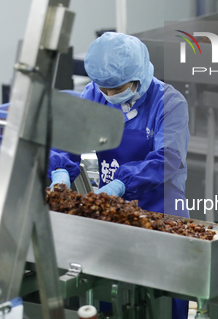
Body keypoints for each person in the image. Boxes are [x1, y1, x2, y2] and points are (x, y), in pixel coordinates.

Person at [48, 32, 190, 319]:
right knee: (112, 293)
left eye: (118, 89)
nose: (110, 97)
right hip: (114, 213)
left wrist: (123, 183)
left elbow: (169, 158)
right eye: (105, 90)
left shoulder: (169, 103)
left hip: (160, 211)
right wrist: (61, 169)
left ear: (139, 76)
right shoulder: (93, 95)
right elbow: (68, 138)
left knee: (164, 295)